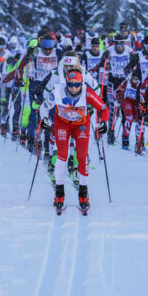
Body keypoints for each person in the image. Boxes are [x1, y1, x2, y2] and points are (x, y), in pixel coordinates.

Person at [38, 69, 108, 215]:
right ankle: (59, 192)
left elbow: (103, 108)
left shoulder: (87, 92)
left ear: (81, 84)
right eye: (70, 84)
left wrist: (104, 123)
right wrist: (44, 119)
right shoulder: (57, 91)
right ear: (66, 84)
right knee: (62, 155)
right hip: (62, 124)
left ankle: (83, 193)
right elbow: (44, 107)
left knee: (82, 157)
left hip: (81, 125)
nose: (73, 88)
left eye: (77, 85)